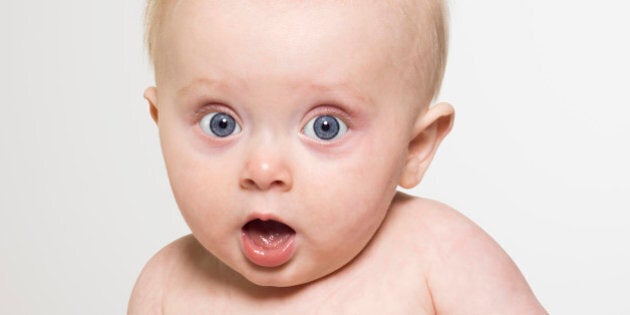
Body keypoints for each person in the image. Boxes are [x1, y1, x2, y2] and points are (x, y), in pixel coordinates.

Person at [129, 0, 546, 313]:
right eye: (221, 123)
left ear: (413, 148)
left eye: (325, 127)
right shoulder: (164, 290)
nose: (263, 170)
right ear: (159, 123)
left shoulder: (438, 257)